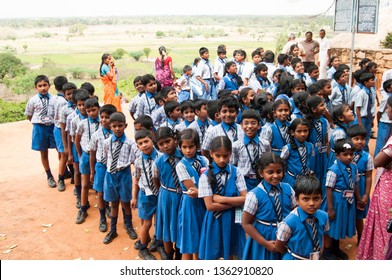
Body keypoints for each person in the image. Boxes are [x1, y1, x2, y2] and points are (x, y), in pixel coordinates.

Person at [198, 136, 247, 260]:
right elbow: (210, 206)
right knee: (213, 252)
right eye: (218, 155)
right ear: (211, 154)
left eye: (225, 156)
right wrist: (235, 202)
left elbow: (246, 198)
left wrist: (222, 199)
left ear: (230, 154)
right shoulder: (205, 176)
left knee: (231, 249)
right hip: (214, 219)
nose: (222, 159)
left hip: (233, 219)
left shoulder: (237, 172)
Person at [242, 152, 296, 260]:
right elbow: (246, 223)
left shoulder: (288, 189)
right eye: (270, 172)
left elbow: (294, 212)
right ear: (261, 173)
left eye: (279, 171)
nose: (275, 176)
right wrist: (265, 243)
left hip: (286, 236)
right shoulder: (254, 195)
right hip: (264, 237)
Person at [357, 95, 392, 260]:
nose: (386, 111)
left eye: (389, 108)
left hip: (388, 190)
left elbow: (378, 160)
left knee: (384, 229)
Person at [102, 112, 138, 244]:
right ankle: (113, 230)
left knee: (125, 201)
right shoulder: (106, 142)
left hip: (124, 175)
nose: (117, 129)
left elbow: (134, 160)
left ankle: (128, 226)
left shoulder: (130, 143)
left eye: (120, 126)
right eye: (114, 126)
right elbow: (106, 158)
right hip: (110, 174)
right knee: (113, 203)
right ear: (110, 126)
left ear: (125, 125)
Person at [275, 176, 328, 260]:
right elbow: (279, 246)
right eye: (306, 199)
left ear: (322, 198)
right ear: (297, 200)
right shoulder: (289, 222)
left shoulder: (324, 216)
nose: (311, 203)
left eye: (316, 198)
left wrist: (320, 252)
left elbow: (321, 236)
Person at [322, 139, 359, 260]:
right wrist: (330, 208)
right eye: (345, 154)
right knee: (331, 225)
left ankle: (335, 248)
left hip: (347, 201)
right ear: (337, 155)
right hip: (336, 201)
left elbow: (355, 183)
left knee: (340, 224)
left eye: (351, 154)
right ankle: (327, 251)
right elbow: (328, 189)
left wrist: (358, 199)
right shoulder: (334, 170)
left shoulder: (353, 167)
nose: (349, 157)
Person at [175, 129, 209, 260]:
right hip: (190, 205)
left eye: (191, 147)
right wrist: (211, 194)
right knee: (190, 240)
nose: (188, 150)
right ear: (180, 147)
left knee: (202, 238)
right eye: (184, 147)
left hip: (205, 204)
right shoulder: (181, 166)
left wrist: (204, 192)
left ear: (197, 146)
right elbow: (192, 190)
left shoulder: (204, 160)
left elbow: (211, 180)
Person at [153, 127, 183, 260]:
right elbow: (156, 180)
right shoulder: (158, 162)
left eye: (168, 141)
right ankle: (169, 257)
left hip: (183, 196)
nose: (165, 146)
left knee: (180, 225)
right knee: (167, 227)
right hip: (167, 197)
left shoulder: (184, 156)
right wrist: (165, 192)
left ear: (175, 140)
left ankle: (179, 253)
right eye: (161, 144)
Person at [131, 130, 161, 260]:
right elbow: (136, 179)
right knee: (147, 223)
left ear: (152, 141)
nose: (144, 145)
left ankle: (159, 243)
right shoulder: (138, 162)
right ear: (137, 146)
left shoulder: (161, 157)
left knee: (159, 221)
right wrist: (134, 197)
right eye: (140, 143)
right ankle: (143, 248)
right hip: (146, 195)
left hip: (160, 194)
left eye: (146, 141)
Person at [24, 75, 57, 188]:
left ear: (49, 85)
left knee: (60, 149)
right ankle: (49, 175)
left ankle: (65, 170)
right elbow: (29, 115)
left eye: (45, 85)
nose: (43, 88)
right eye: (40, 86)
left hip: (53, 127)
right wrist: (38, 122)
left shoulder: (54, 99)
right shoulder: (33, 100)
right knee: (43, 152)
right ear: (36, 87)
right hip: (40, 128)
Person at [89, 104, 116, 232]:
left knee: (112, 191)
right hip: (101, 166)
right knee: (100, 192)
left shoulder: (116, 134)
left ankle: (110, 208)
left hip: (113, 167)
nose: (104, 120)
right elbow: (92, 154)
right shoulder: (96, 135)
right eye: (102, 117)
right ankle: (102, 218)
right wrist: (92, 171)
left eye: (107, 117)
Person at [74, 97, 101, 224]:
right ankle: (83, 208)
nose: (91, 113)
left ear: (99, 109)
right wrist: (81, 155)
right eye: (88, 111)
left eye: (94, 110)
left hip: (101, 157)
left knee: (101, 183)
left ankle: (105, 205)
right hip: (86, 155)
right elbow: (77, 140)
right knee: (85, 183)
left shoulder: (104, 122)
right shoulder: (82, 124)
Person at [346, 125, 374, 243]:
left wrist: (366, 194)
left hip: (361, 186)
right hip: (347, 185)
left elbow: (368, 176)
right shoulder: (345, 155)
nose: (360, 142)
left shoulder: (367, 157)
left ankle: (361, 237)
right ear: (349, 139)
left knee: (359, 212)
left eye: (362, 139)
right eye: (356, 139)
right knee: (346, 210)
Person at [232, 110, 271, 191]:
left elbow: (268, 163)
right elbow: (233, 165)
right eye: (246, 123)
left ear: (259, 125)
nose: (249, 126)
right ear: (241, 125)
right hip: (244, 181)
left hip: (261, 180)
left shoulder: (265, 143)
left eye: (253, 123)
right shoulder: (236, 145)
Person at [280, 118, 315, 188]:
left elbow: (310, 161)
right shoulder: (288, 148)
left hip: (305, 179)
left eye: (305, 131)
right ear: (292, 132)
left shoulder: (310, 146)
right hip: (292, 179)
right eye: (299, 131)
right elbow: (281, 162)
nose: (303, 134)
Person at [306, 96, 329, 188]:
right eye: (321, 105)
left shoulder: (324, 121)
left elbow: (326, 141)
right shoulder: (307, 123)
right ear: (314, 109)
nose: (324, 107)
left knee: (323, 175)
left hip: (323, 153)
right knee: (313, 175)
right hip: (312, 153)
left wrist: (328, 155)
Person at [52, 76, 69, 191]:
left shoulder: (54, 99)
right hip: (61, 129)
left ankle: (65, 172)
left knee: (61, 153)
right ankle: (60, 179)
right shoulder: (63, 102)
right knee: (64, 155)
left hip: (56, 128)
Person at [327, 104, 355, 168]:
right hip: (338, 160)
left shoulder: (344, 128)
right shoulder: (339, 133)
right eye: (347, 110)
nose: (351, 111)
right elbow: (342, 150)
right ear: (341, 118)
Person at [355, 72, 376, 153]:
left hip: (368, 118)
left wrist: (372, 119)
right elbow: (358, 109)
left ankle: (364, 152)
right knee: (361, 136)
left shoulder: (371, 92)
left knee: (367, 137)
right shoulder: (361, 93)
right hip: (362, 119)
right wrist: (360, 123)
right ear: (366, 83)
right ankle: (362, 153)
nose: (373, 82)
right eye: (372, 80)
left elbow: (371, 106)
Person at [375, 79, 392, 156]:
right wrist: (379, 123)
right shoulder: (386, 99)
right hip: (385, 123)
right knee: (381, 141)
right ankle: (377, 158)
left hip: (389, 123)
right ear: (388, 89)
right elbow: (379, 112)